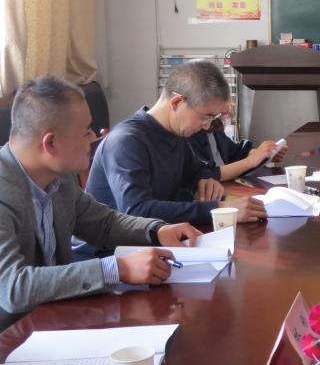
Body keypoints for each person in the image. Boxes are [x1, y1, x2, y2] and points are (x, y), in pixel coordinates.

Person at [0, 76, 202, 330]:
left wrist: (156, 230)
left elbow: (103, 223)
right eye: (85, 131)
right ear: (50, 143)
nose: (94, 137)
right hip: (11, 336)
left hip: (51, 319)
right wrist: (116, 269)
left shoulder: (58, 178)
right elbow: (13, 289)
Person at [86, 60, 266, 226]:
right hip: (113, 247)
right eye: (205, 117)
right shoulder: (127, 141)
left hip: (157, 235)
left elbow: (196, 171)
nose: (207, 126)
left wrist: (204, 179)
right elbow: (137, 211)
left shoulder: (176, 134)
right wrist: (219, 210)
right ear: (177, 102)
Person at [187, 114, 288, 182]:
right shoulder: (190, 132)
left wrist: (264, 154)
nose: (229, 108)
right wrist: (250, 161)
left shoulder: (215, 127)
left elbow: (236, 152)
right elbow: (208, 173)